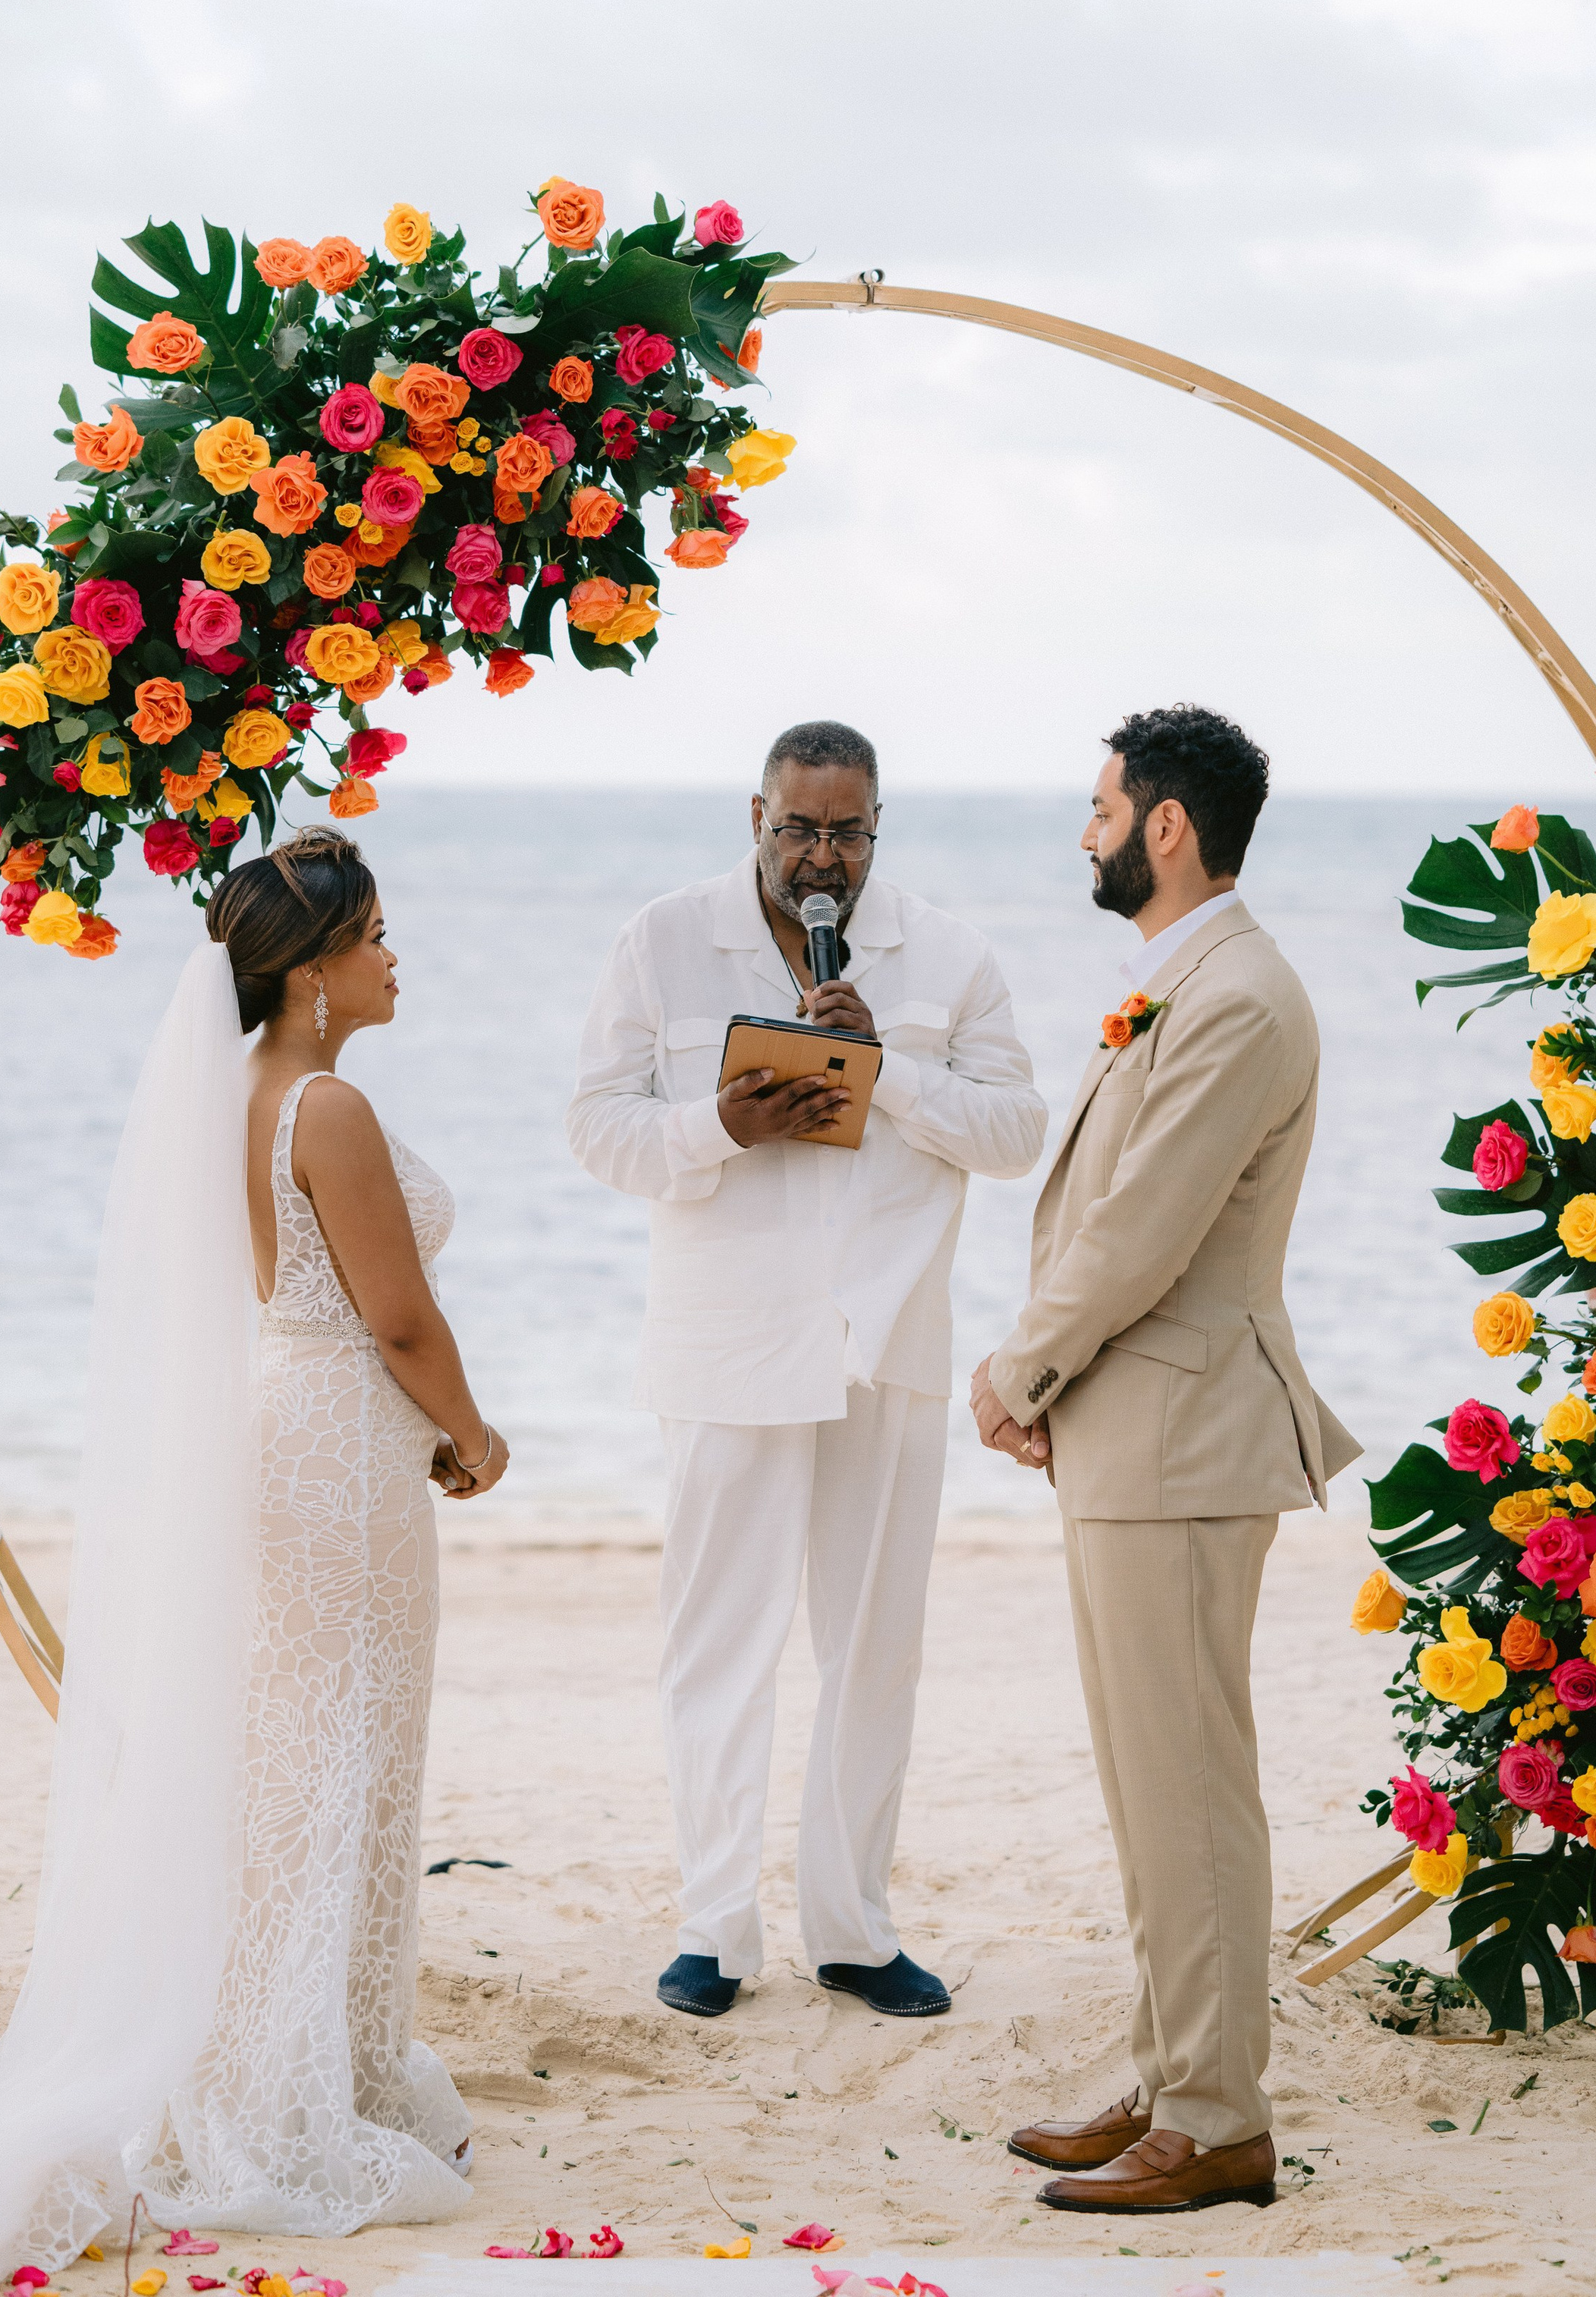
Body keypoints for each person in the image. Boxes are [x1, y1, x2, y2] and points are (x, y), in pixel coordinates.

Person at [0, 828, 504, 2297]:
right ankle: (293, 2086)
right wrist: (475, 1431)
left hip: (292, 1425)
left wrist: (416, 1424)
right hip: (340, 1441)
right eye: (374, 933)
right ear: (311, 971)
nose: (396, 954)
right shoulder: (326, 1106)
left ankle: (304, 2052)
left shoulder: (231, 1094)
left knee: (302, 1751)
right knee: (340, 1755)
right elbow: (396, 1318)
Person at [567, 720, 1046, 2022]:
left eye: (847, 830)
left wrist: (889, 1075)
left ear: (878, 825)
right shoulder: (662, 938)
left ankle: (851, 1925)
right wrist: (711, 1125)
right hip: (727, 1343)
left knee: (873, 1649)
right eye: (799, 827)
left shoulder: (947, 953)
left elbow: (1017, 1130)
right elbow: (594, 1125)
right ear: (759, 816)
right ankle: (713, 1928)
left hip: (885, 1345)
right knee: (717, 1642)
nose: (821, 855)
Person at [972, 707, 1359, 2220]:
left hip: (1185, 1429)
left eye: (1098, 807)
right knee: (1149, 1778)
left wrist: (1018, 1364)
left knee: (1189, 1777)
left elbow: (1146, 1222)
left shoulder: (1240, 997)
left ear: (1167, 824)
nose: (1084, 831)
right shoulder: (1182, 980)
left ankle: (1214, 2117)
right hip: (1135, 1431)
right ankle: (1169, 2068)